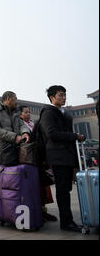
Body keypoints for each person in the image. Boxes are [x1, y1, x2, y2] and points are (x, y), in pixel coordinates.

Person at [40, 85, 86, 232]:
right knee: (62, 190)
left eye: (65, 95)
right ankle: (66, 222)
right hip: (58, 156)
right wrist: (74, 136)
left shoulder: (64, 113)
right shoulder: (48, 113)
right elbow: (51, 133)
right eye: (60, 95)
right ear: (52, 97)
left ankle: (68, 220)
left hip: (67, 155)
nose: (64, 97)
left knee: (66, 188)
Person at [0, 91, 30, 227]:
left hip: (14, 154)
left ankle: (10, 214)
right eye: (15, 98)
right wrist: (14, 137)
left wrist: (25, 132)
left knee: (13, 187)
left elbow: (21, 124)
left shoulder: (15, 112)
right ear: (8, 99)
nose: (16, 101)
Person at [19, 105, 58, 223]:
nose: (28, 114)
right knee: (33, 186)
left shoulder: (32, 123)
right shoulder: (20, 125)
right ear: (20, 114)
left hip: (39, 158)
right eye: (25, 112)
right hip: (29, 160)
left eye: (29, 112)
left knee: (43, 186)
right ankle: (36, 211)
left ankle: (43, 211)